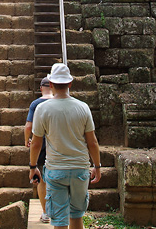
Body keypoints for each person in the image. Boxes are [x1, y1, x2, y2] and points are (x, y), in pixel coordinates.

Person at [28, 63, 101, 229]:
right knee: (76, 217)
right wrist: (97, 165)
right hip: (80, 170)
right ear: (70, 84)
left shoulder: (42, 109)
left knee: (59, 221)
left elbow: (36, 143)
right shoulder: (83, 108)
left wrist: (33, 166)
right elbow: (92, 142)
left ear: (51, 84)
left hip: (56, 170)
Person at [25, 77, 53, 223]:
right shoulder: (59, 102)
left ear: (41, 88)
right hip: (58, 145)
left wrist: (26, 140)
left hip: (41, 144)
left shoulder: (36, 104)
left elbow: (28, 126)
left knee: (42, 180)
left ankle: (46, 212)